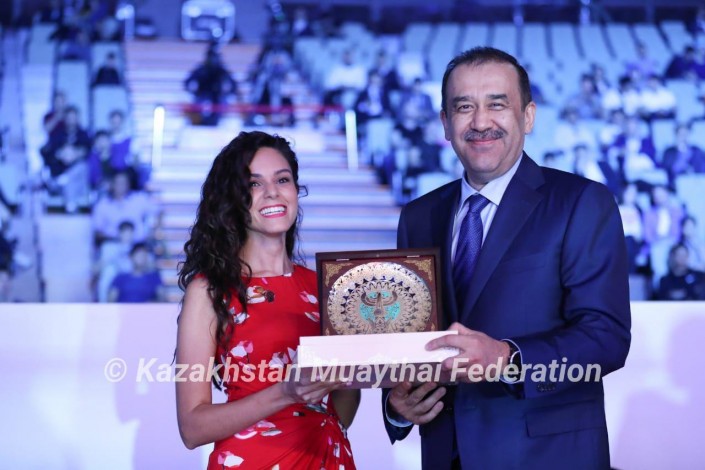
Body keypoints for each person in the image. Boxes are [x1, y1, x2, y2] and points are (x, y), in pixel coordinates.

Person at [382, 47, 631, 469]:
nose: (481, 122)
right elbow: (407, 339)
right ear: (445, 123)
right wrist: (396, 405)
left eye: (497, 104)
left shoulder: (581, 202)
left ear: (528, 117)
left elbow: (606, 338)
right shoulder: (418, 216)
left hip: (548, 457)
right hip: (446, 455)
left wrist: (506, 359)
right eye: (464, 107)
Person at [175, 131, 359, 468]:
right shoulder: (209, 291)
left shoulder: (328, 287)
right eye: (254, 184)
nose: (272, 191)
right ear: (233, 198)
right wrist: (286, 392)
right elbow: (191, 428)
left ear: (296, 190)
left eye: (282, 179)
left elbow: (342, 405)